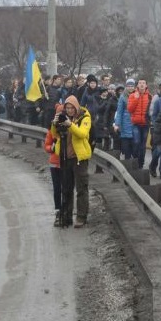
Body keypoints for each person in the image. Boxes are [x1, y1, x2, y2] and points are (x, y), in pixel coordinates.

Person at [45, 95, 92, 228]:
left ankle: (81, 217)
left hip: (79, 159)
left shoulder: (85, 117)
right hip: (65, 157)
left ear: (76, 107)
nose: (70, 110)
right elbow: (55, 135)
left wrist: (70, 124)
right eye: (67, 108)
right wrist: (55, 124)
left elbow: (82, 134)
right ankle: (66, 216)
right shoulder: (63, 117)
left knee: (81, 188)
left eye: (72, 108)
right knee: (66, 188)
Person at [127, 79, 152, 169]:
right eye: (140, 83)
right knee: (136, 142)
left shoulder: (150, 96)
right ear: (137, 85)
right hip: (135, 123)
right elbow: (130, 109)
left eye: (143, 83)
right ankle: (135, 159)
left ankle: (141, 163)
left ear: (146, 85)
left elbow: (151, 111)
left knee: (143, 145)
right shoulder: (132, 95)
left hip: (145, 124)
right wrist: (136, 99)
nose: (141, 85)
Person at [113, 79, 136, 160]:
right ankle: (127, 161)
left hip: (135, 122)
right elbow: (119, 112)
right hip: (125, 122)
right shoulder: (122, 97)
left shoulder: (137, 95)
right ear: (126, 87)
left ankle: (136, 164)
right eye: (129, 86)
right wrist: (117, 124)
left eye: (132, 86)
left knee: (135, 145)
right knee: (126, 145)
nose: (130, 88)